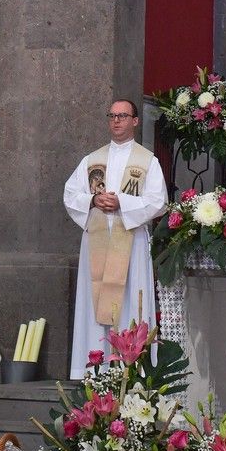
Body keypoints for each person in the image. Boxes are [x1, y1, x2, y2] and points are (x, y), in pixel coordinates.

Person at [63, 99, 167, 379]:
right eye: (112, 115)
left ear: (135, 121)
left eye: (123, 116)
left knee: (130, 296)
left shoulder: (147, 161)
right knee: (95, 297)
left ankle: (131, 368)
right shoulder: (91, 160)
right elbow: (71, 195)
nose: (116, 121)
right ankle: (95, 367)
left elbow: (158, 201)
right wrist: (94, 199)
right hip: (98, 238)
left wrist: (122, 202)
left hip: (130, 239)